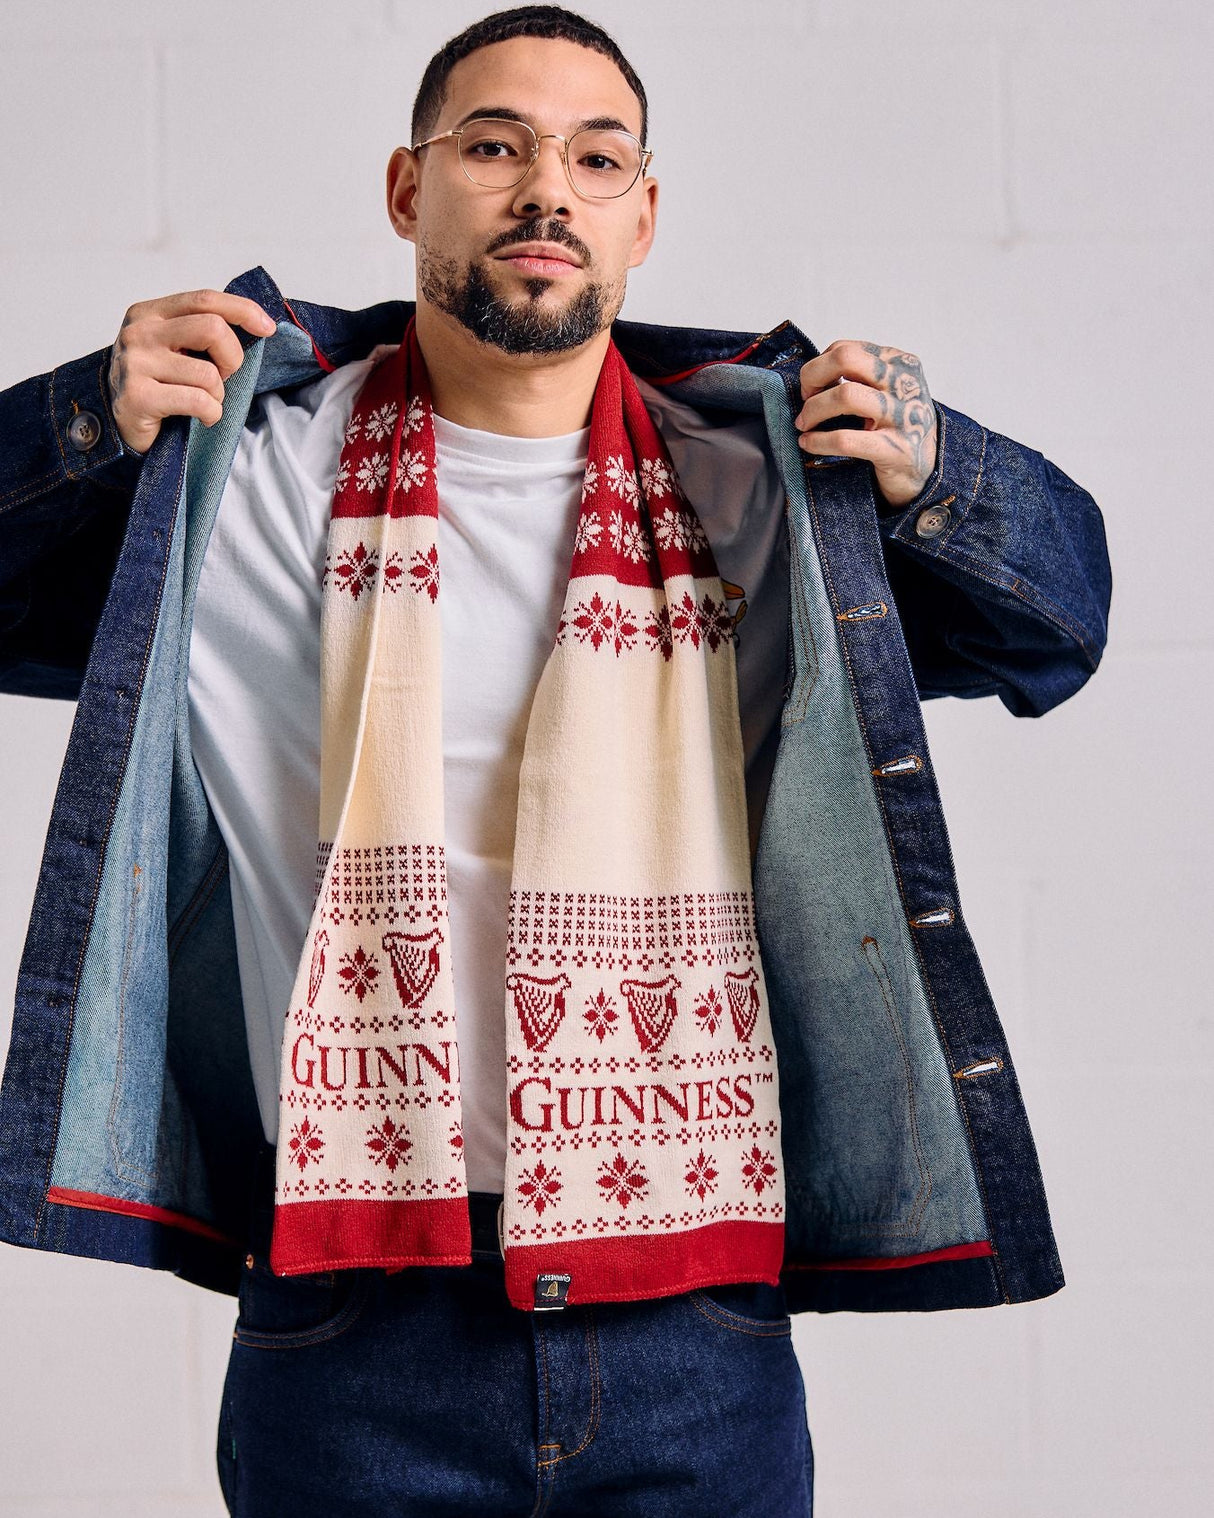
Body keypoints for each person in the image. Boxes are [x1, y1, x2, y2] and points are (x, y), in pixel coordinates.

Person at [0, 6, 1112, 1515]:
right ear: (409, 191)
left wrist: (942, 472)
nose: (546, 191)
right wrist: (74, 419)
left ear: (641, 215)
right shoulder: (242, 471)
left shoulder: (753, 488)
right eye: (494, 145)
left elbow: (1059, 633)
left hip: (695, 1321)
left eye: (596, 157)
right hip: (351, 1313)